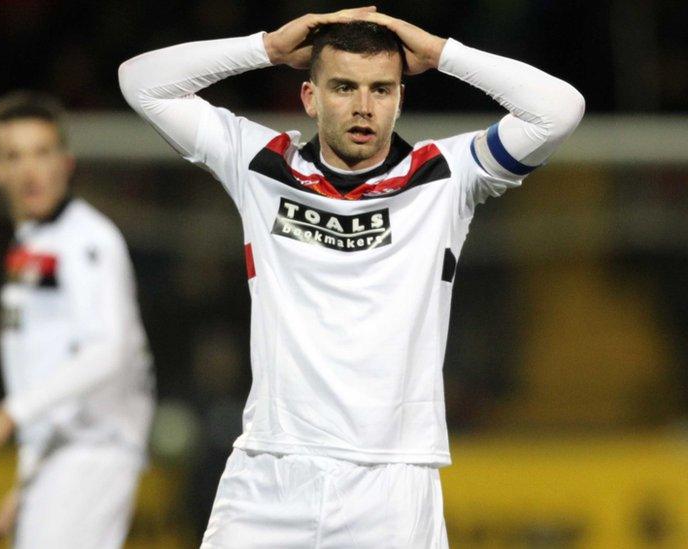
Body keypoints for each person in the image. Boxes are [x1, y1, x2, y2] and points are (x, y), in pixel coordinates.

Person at [120, 6, 584, 547]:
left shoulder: (445, 176)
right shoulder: (261, 163)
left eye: (382, 89)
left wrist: (440, 53)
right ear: (309, 98)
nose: (364, 107)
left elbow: (559, 110)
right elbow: (141, 82)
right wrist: (265, 48)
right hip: (271, 470)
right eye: (343, 87)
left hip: (391, 484)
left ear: (400, 99)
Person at [0, 92, 154, 549]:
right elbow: (40, 368)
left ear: (66, 162)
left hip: (95, 449)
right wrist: (28, 481)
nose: (30, 170)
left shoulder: (88, 240)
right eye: (14, 156)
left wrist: (6, 417)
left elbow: (109, 350)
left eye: (42, 153)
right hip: (61, 457)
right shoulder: (30, 245)